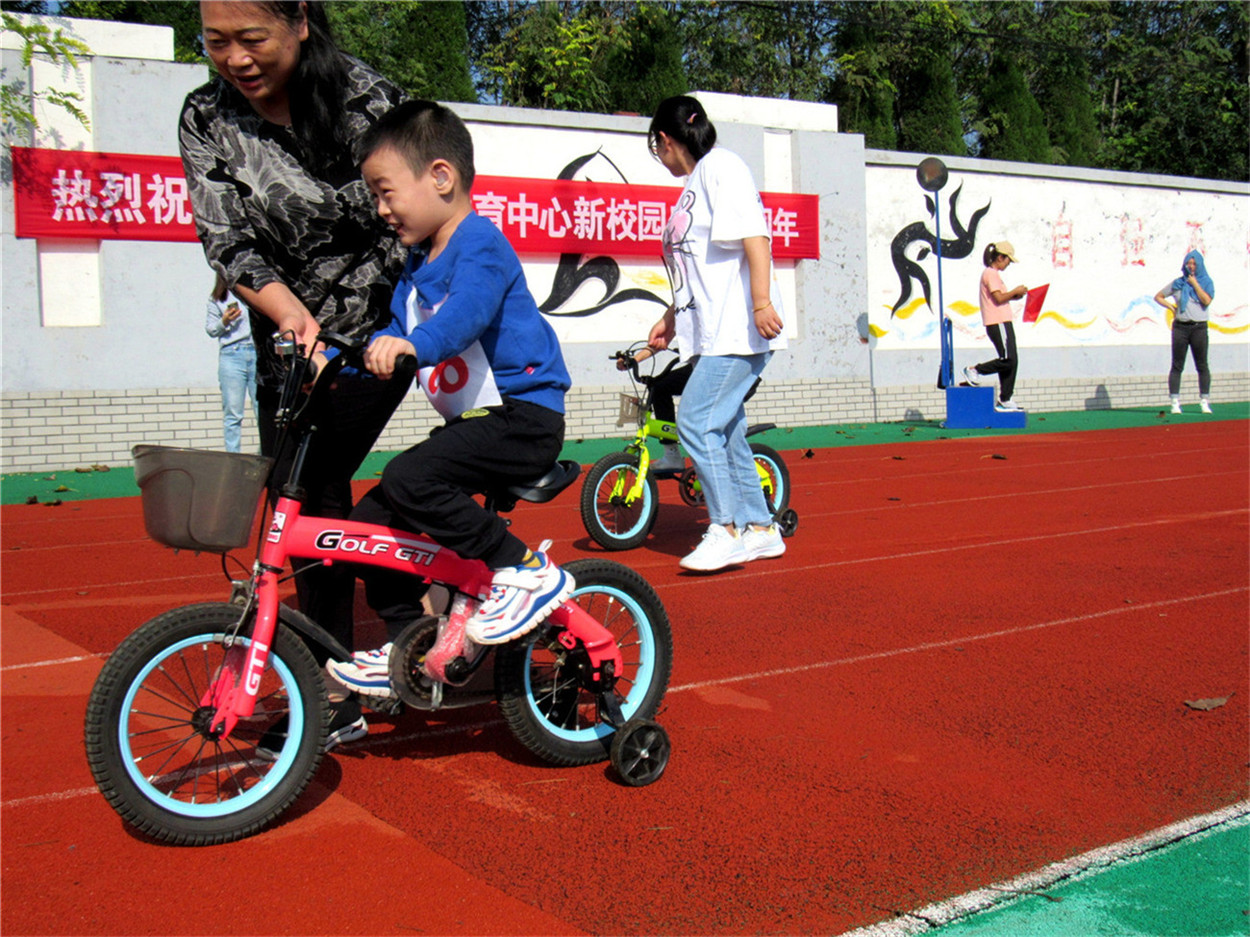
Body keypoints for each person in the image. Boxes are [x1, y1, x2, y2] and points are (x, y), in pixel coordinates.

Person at [181, 1, 412, 749]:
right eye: (217, 42)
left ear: (301, 22)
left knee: (311, 490)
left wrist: (366, 329)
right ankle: (347, 666)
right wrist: (291, 319)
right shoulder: (206, 116)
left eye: (253, 40)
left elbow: (411, 215)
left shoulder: (364, 100)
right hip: (286, 334)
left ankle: (334, 677)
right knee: (301, 496)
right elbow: (228, 237)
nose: (236, 59)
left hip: (377, 329)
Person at [323, 101, 574, 699]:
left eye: (386, 193)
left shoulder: (479, 242)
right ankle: (411, 642)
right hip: (477, 424)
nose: (381, 209)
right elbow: (389, 335)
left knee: (410, 476)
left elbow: (467, 314)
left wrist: (414, 346)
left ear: (441, 177)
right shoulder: (415, 266)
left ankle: (522, 570)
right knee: (367, 527)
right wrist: (334, 365)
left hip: (524, 417)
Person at [644, 94, 788, 573]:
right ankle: (762, 530)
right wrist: (670, 318)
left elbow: (756, 237)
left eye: (655, 146)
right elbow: (699, 269)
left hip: (739, 331)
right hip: (715, 331)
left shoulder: (721, 166)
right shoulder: (697, 182)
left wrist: (762, 302)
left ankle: (724, 529)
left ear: (664, 139)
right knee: (725, 432)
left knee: (695, 421)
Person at [963, 241, 1027, 411]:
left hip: (1002, 321)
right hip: (997, 321)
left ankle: (1006, 399)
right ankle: (975, 370)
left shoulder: (993, 274)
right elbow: (998, 298)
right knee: (1008, 360)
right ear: (1000, 257)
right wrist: (1015, 291)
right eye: (1008, 260)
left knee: (1012, 360)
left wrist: (1015, 296)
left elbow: (1000, 298)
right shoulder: (991, 274)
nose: (1008, 264)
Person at [1154, 250, 1215, 414]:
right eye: (1189, 263)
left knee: (1202, 364)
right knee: (1177, 365)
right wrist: (1171, 307)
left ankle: (1204, 401)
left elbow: (1206, 301)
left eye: (1194, 264)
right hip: (1181, 327)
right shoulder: (1178, 283)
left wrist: (1195, 284)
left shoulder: (1206, 282)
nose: (1191, 266)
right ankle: (1174, 401)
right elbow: (1158, 296)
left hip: (1199, 328)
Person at [204, 273, 258, 453]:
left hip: (257, 353)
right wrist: (225, 321)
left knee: (261, 410)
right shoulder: (218, 298)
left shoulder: (254, 292)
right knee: (233, 413)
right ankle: (233, 458)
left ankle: (265, 456)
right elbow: (211, 329)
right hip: (232, 354)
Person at [621, 345, 691, 472]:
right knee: (659, 387)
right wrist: (634, 360)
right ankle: (672, 454)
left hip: (720, 364)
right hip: (696, 365)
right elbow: (659, 340)